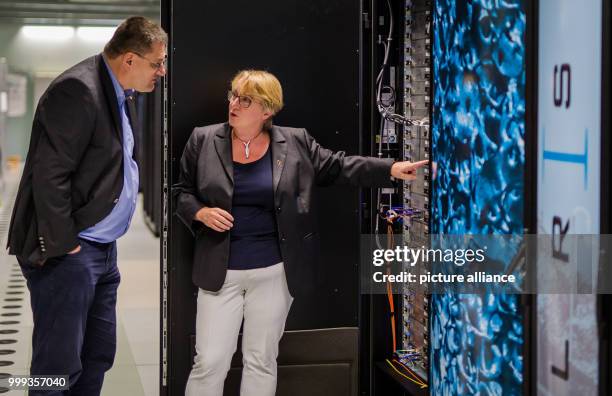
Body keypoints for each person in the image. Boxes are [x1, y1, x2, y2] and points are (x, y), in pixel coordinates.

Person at [174, 69, 428, 396]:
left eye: (245, 99)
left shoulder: (294, 141)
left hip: (274, 270)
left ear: (267, 110)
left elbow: (338, 166)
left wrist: (389, 169)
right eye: (233, 95)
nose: (234, 103)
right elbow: (181, 192)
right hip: (219, 270)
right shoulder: (204, 139)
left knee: (261, 358)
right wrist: (200, 212)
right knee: (210, 360)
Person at [6, 16, 167, 395]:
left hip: (101, 251)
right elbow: (50, 176)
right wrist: (66, 246)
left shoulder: (117, 92)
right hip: (71, 254)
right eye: (156, 63)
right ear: (129, 59)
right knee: (57, 368)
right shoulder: (78, 90)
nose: (162, 71)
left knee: (96, 355)